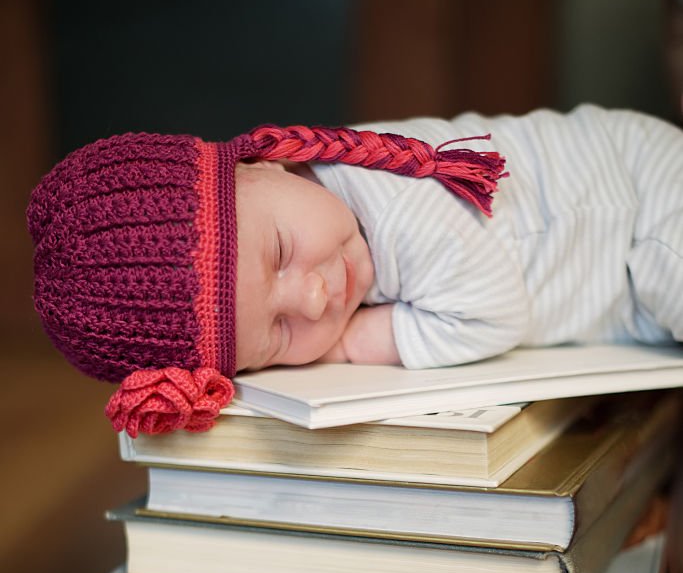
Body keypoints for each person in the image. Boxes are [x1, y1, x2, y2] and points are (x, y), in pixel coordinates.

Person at [27, 106, 683, 437]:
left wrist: (354, 342)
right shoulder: (318, 205)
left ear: (260, 165)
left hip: (641, 207)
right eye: (280, 332)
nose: (313, 299)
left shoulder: (398, 205)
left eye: (281, 252)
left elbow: (491, 315)